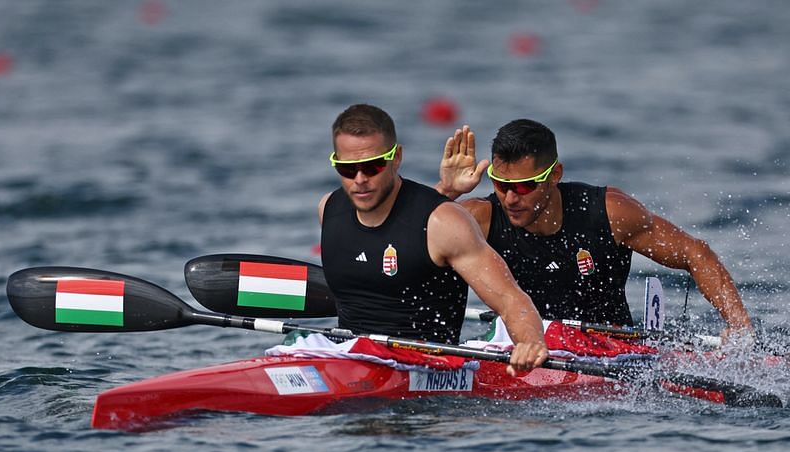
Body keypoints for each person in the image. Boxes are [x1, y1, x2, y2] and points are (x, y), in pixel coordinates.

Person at [436, 119, 753, 341]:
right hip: (516, 345)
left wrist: (740, 329)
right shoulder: (481, 217)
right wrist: (447, 192)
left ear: (555, 174)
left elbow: (695, 253)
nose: (510, 198)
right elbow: (409, 238)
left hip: (609, 348)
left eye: (524, 186)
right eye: (501, 184)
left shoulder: (607, 212)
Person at [319, 104, 548, 373]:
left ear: (396, 158)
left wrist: (530, 344)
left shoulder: (444, 223)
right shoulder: (329, 209)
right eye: (347, 169)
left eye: (372, 167)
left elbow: (511, 299)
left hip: (422, 367)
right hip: (345, 355)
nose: (359, 179)